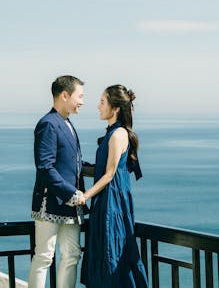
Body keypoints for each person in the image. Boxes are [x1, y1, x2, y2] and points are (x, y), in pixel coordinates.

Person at [80, 84, 148, 287]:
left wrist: (84, 196)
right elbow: (103, 170)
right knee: (106, 255)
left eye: (102, 102)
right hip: (106, 203)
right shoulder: (112, 133)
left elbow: (109, 174)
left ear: (115, 108)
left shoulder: (118, 134)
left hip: (112, 204)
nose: (98, 106)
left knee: (112, 255)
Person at [29, 75, 87, 288]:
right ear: (65, 95)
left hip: (70, 205)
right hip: (51, 201)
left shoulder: (66, 122)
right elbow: (45, 166)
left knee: (72, 255)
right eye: (79, 96)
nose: (82, 101)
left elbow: (71, 162)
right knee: (44, 256)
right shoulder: (48, 124)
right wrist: (71, 194)